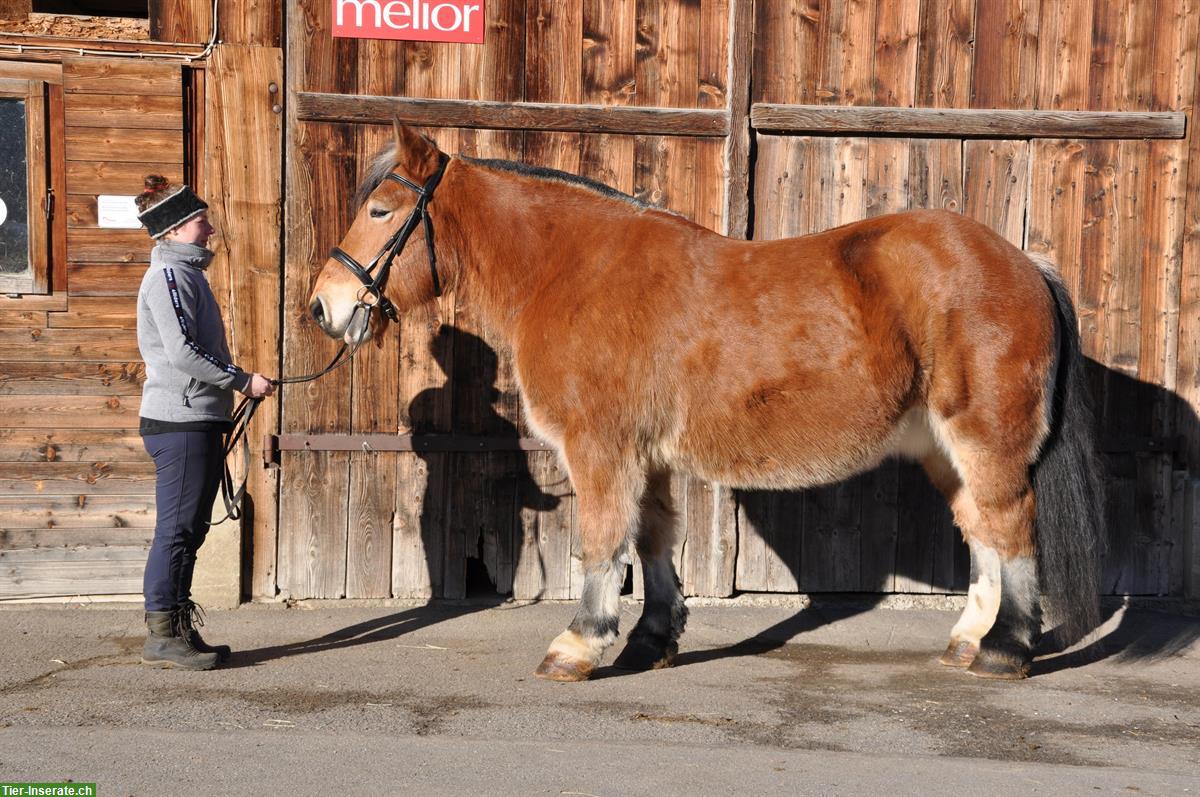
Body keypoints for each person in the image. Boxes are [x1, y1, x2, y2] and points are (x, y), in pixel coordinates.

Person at [134, 175, 275, 670]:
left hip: (195, 418)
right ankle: (161, 636)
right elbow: (182, 353)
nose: (210, 229)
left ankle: (176, 627)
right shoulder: (169, 278)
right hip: (181, 421)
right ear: (172, 230)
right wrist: (241, 380)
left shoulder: (187, 276)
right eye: (200, 221)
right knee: (176, 530)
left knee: (189, 530)